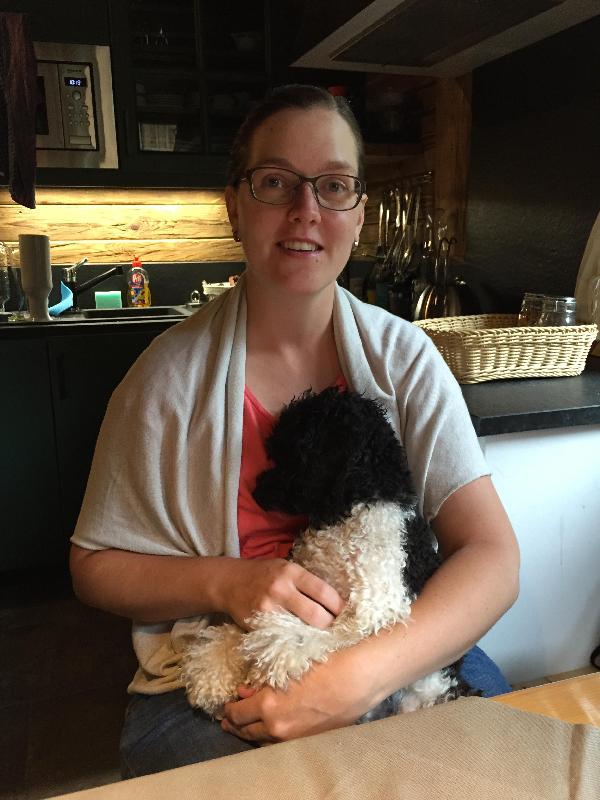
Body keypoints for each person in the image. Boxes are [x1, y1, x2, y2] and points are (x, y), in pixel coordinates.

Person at [69, 84, 520, 778]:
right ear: (234, 206)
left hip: (394, 646)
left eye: (333, 186)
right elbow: (94, 566)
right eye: (276, 181)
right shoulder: (162, 381)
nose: (306, 210)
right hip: (221, 667)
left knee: (508, 773)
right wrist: (229, 584)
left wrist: (356, 679)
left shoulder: (406, 360)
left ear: (359, 213)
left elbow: (492, 556)